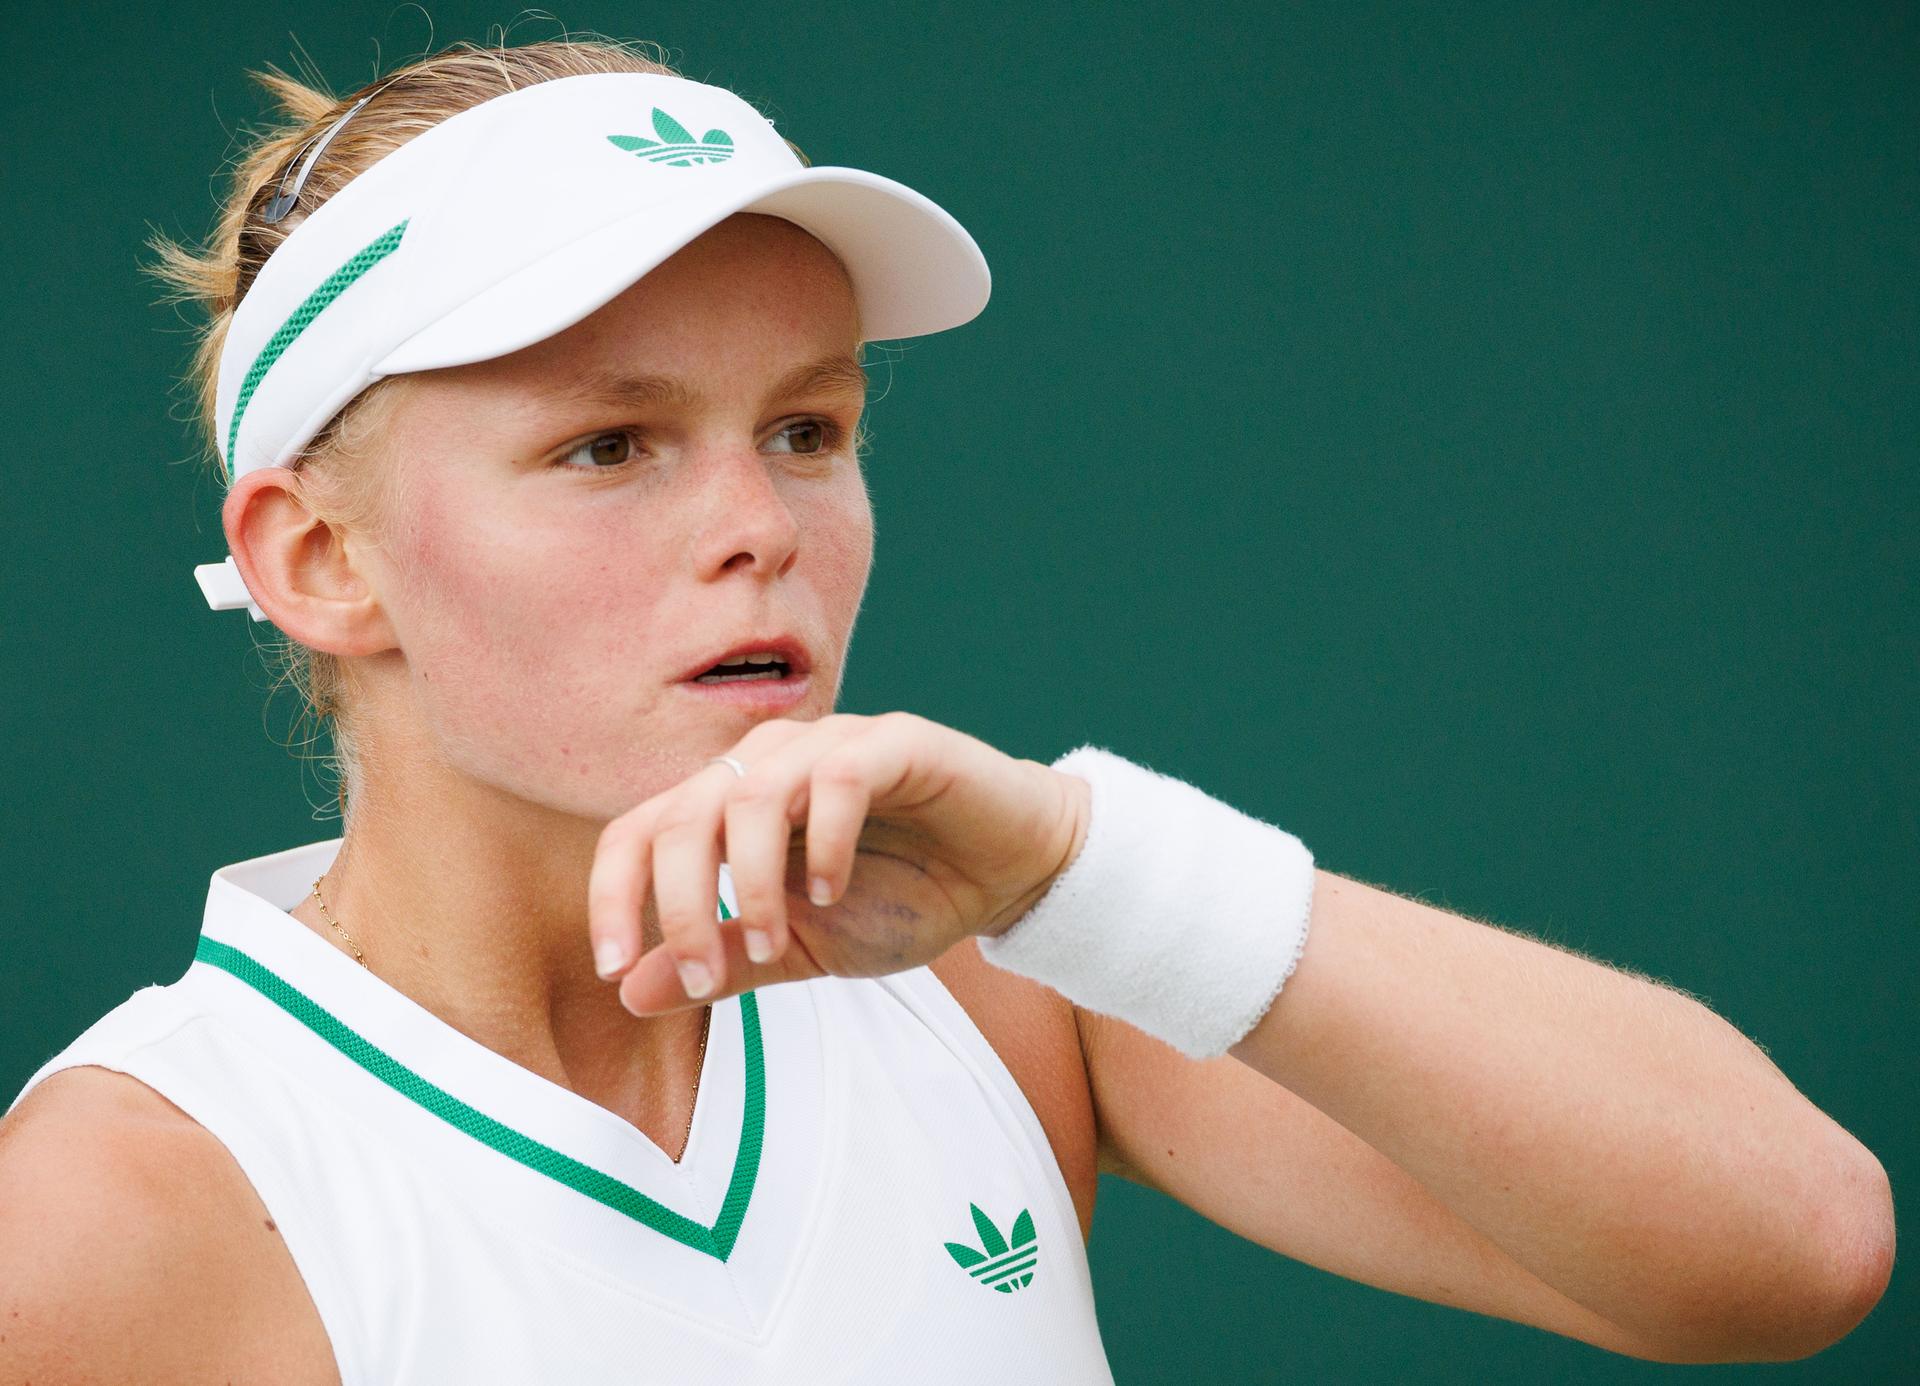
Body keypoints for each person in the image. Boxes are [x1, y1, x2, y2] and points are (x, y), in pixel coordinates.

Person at [0, 35, 1894, 1386]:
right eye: (609, 444)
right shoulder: (123, 1205)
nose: (760, 527)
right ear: (321, 559)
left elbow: (1792, 1252)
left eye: (807, 428)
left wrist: (1083, 867)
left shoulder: (1003, 974)